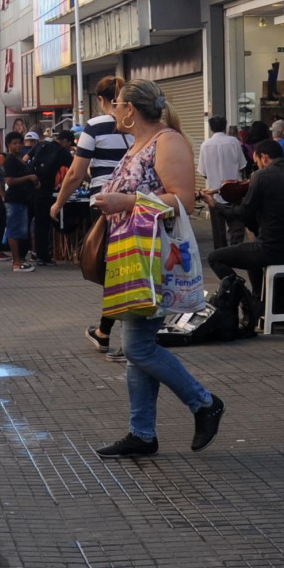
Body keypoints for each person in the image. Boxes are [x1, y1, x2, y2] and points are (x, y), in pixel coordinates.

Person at [91, 81, 224, 459]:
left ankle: (203, 403)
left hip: (156, 258)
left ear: (131, 108)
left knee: (138, 345)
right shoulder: (135, 145)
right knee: (137, 346)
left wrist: (126, 200)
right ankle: (142, 433)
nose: (113, 110)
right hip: (132, 257)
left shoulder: (167, 142)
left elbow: (181, 199)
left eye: (117, 104)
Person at [52, 76, 132, 353]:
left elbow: (75, 173)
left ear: (101, 99)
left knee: (112, 269)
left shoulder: (95, 126)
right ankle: (106, 331)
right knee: (126, 267)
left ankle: (112, 333)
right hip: (137, 203)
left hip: (106, 204)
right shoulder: (139, 124)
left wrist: (58, 203)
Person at [203, 139, 284, 304]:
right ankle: (259, 299)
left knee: (215, 258)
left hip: (270, 249)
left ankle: (248, 300)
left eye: (257, 162)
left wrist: (215, 205)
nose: (258, 166)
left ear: (265, 157)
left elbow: (243, 212)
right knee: (250, 252)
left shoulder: (262, 177)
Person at [197, 112, 250, 250]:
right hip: (234, 190)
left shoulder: (205, 145)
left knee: (218, 228)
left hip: (213, 193)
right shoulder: (234, 142)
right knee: (236, 222)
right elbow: (242, 165)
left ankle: (221, 252)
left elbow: (203, 172)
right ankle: (236, 248)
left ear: (211, 128)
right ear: (225, 127)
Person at [29, 124, 70, 266]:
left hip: (34, 188)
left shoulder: (40, 145)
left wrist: (32, 178)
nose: (69, 148)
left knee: (38, 223)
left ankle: (38, 254)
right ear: (65, 141)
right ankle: (45, 256)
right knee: (46, 224)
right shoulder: (62, 151)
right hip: (47, 190)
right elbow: (76, 170)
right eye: (69, 145)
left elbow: (25, 158)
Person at [0, 131, 40, 271]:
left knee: (21, 230)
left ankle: (20, 259)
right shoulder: (10, 160)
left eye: (19, 143)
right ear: (8, 145)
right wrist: (29, 177)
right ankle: (16, 262)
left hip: (23, 200)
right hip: (14, 200)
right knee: (14, 230)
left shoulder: (20, 159)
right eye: (14, 143)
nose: (18, 146)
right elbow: (9, 181)